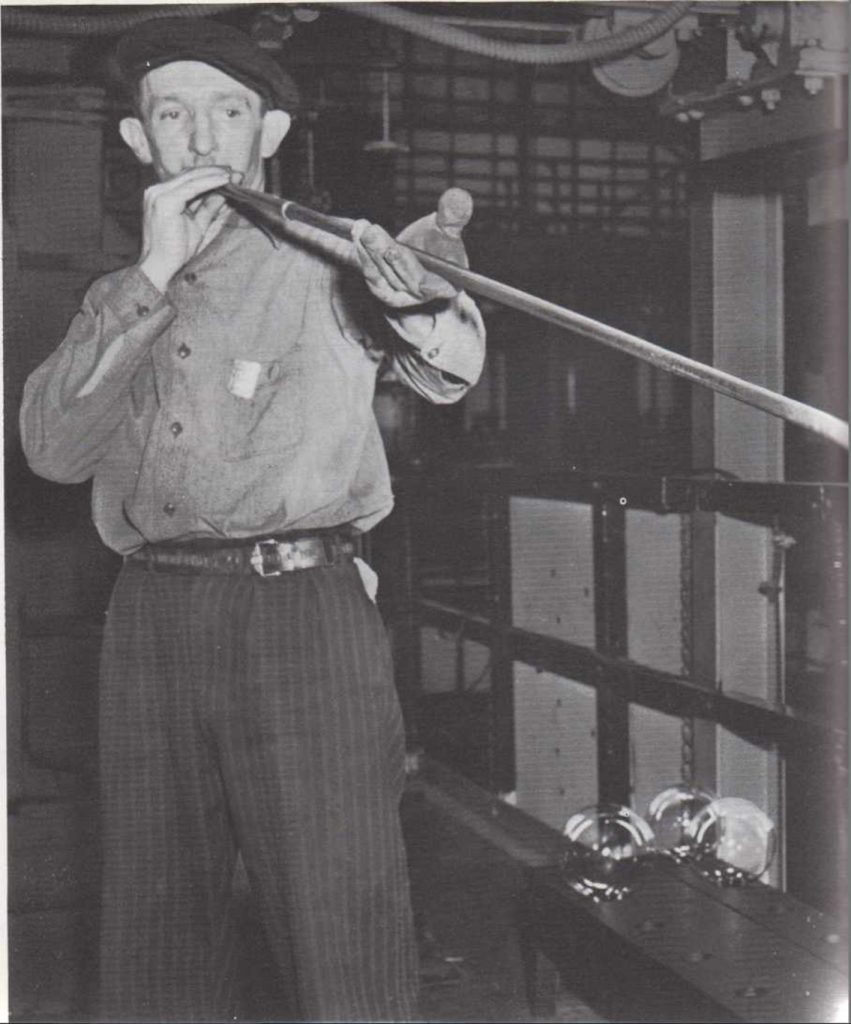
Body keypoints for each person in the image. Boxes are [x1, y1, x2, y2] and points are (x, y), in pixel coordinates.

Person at [20, 16, 485, 1024]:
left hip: (299, 616)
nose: (200, 139)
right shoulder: (116, 294)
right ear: (137, 140)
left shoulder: (330, 254)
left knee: (341, 935)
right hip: (150, 623)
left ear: (267, 132)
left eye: (227, 113)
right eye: (171, 115)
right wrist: (149, 278)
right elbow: (51, 449)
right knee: (155, 947)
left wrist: (418, 299)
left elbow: (447, 365)